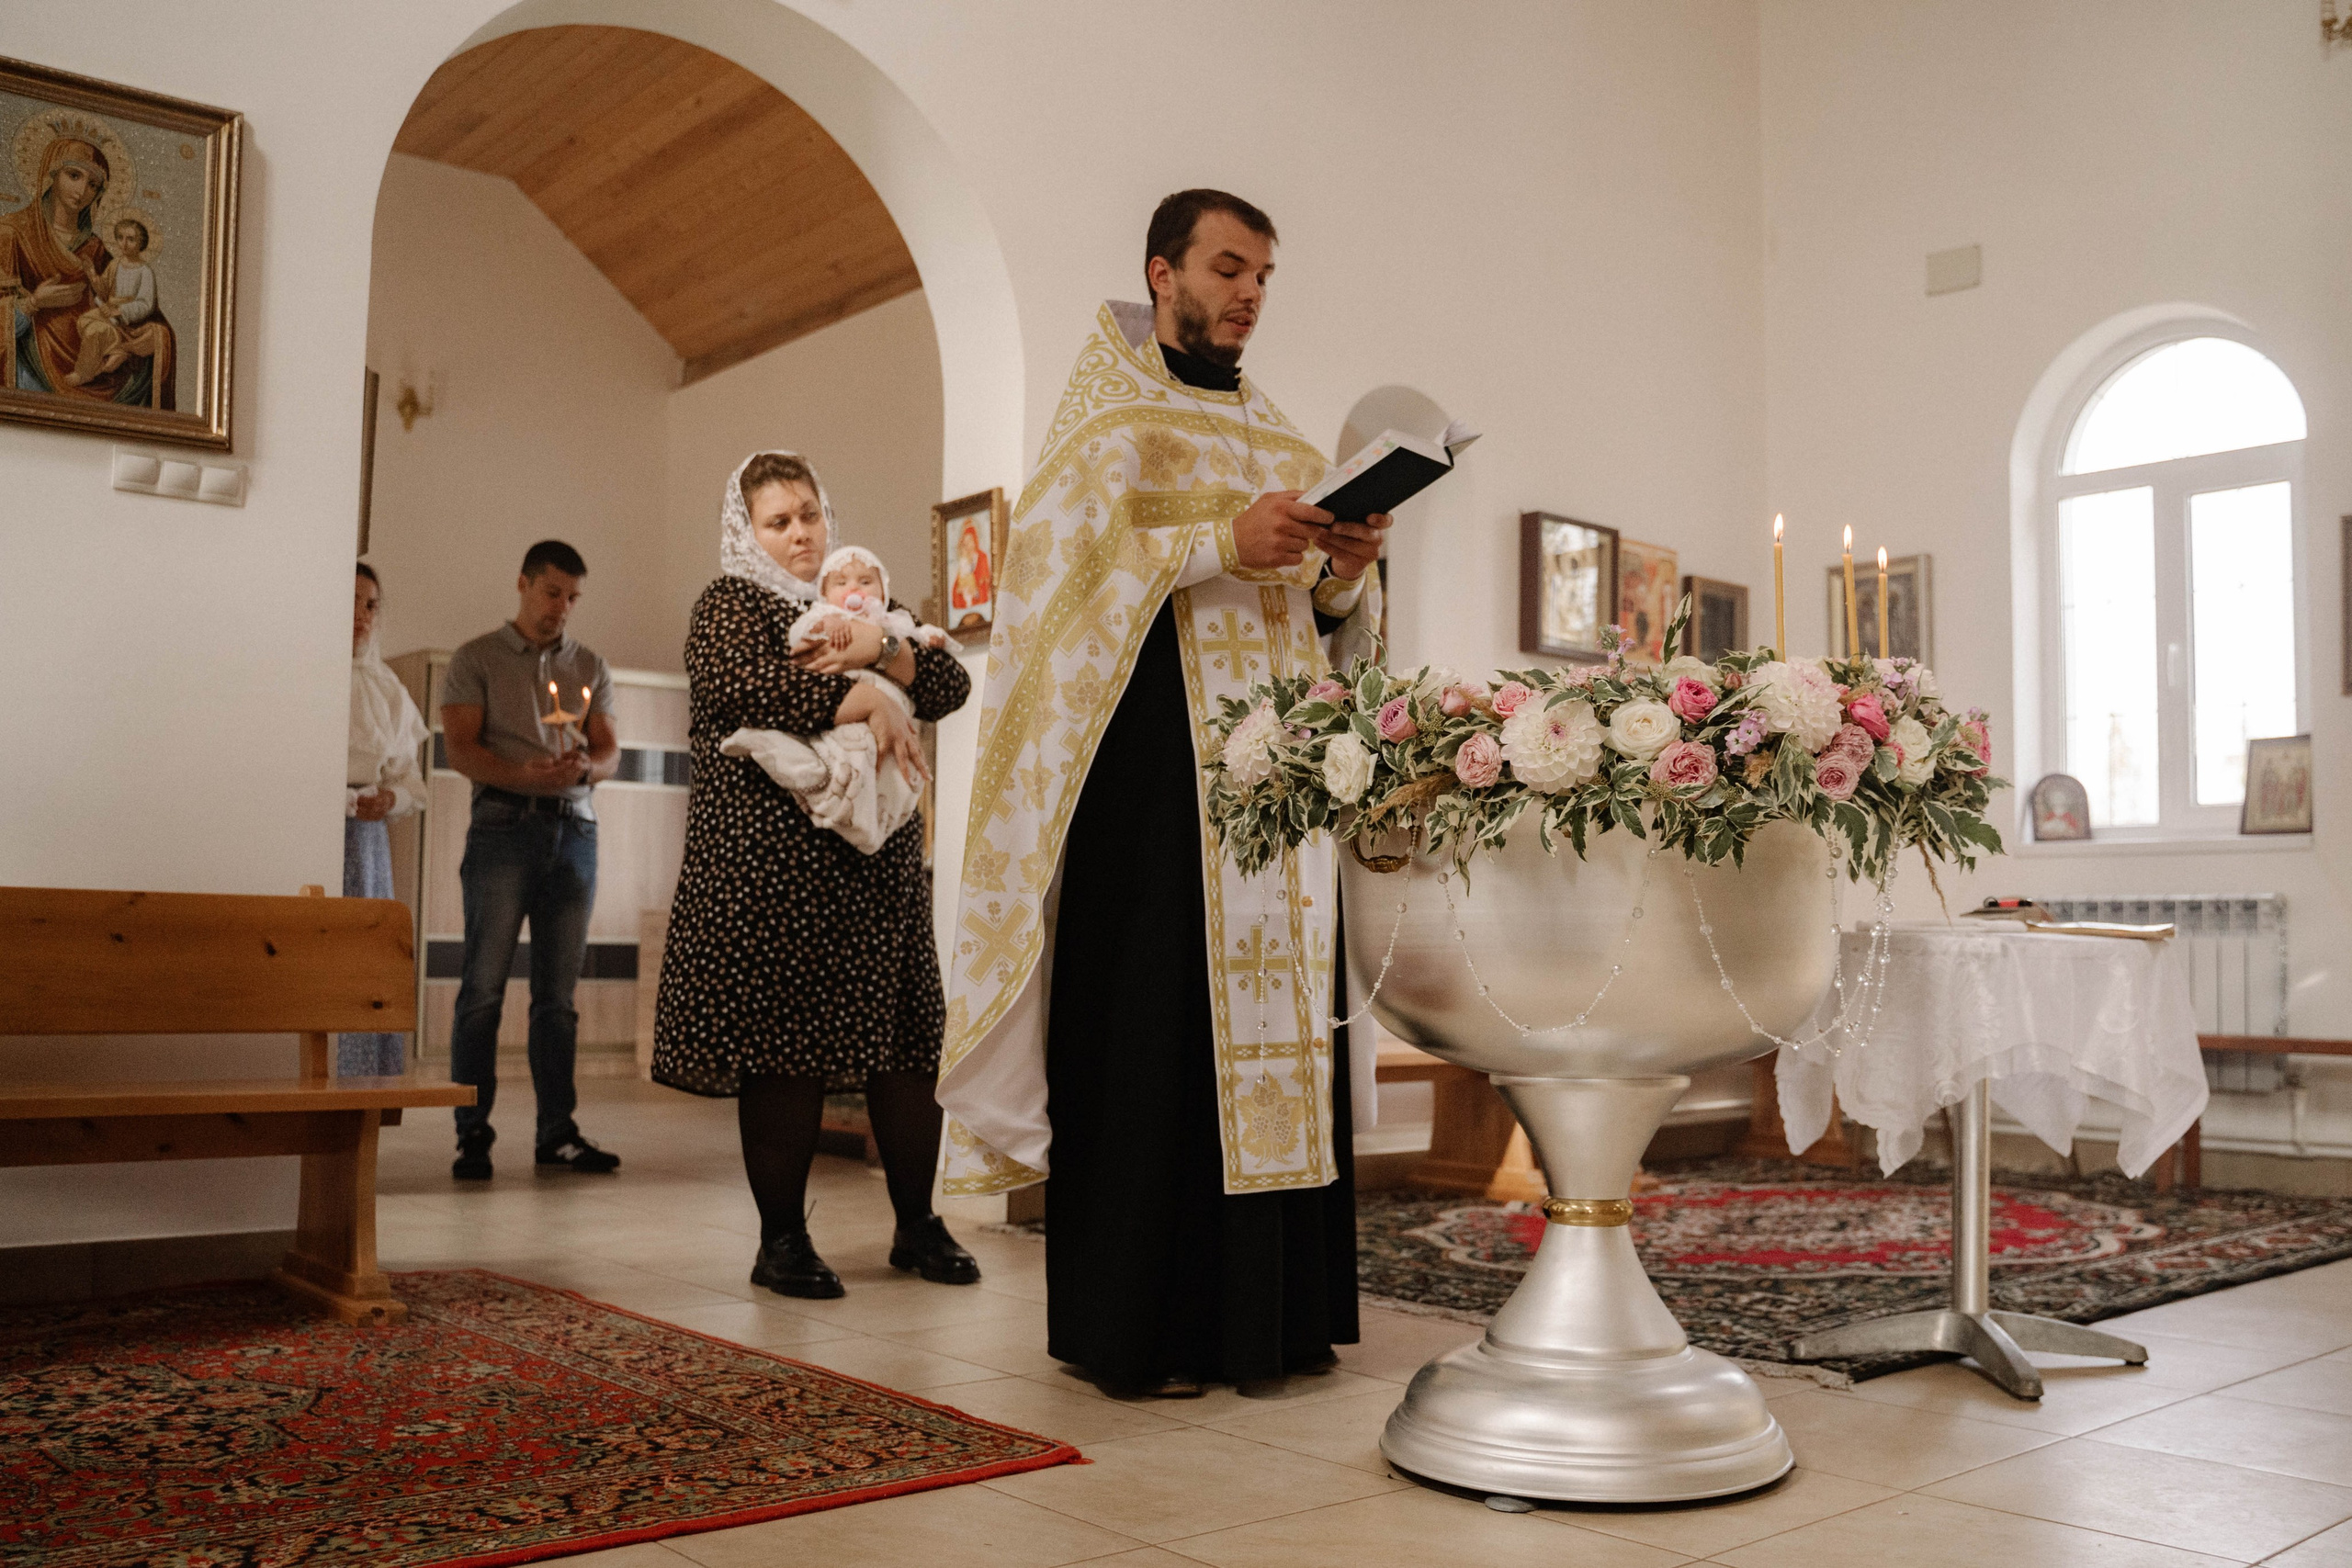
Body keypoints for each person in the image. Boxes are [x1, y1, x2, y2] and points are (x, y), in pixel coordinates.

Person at [936, 191, 1392, 1395]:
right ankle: (1142, 1327)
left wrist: (1344, 574)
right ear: (1163, 272)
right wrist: (1212, 542)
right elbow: (1053, 603)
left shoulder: (1291, 444)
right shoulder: (1106, 433)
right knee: (1152, 1049)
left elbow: (1323, 624)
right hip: (1149, 794)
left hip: (1275, 810)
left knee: (1271, 1047)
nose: (1248, 291)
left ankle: (1278, 1320)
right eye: (1229, 267)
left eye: (1264, 275)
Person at [654, 452, 978, 1299]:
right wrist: (864, 698)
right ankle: (782, 1240)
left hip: (876, 873)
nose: (800, 534)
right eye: (779, 520)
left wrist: (882, 651)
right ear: (748, 531)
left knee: (909, 1046)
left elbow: (948, 679)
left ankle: (917, 1223)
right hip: (772, 871)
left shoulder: (856, 599)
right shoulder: (730, 603)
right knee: (785, 1053)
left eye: (809, 514)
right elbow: (737, 686)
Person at [440, 540, 622, 1179]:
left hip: (574, 830)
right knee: (483, 989)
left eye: (572, 598)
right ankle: (472, 1134)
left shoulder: (590, 665)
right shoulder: (476, 659)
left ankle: (557, 1133)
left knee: (558, 996)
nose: (561, 609)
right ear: (522, 583)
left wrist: (583, 769)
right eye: (552, 593)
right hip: (502, 830)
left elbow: (607, 753)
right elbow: (461, 749)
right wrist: (525, 775)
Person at [722, 545, 952, 854]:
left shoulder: (889, 617)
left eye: (866, 582)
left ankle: (877, 824)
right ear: (825, 593)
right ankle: (799, 769)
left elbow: (935, 658)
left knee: (900, 775)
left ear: (883, 588)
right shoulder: (822, 614)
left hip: (896, 718)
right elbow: (799, 640)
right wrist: (827, 627)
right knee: (847, 756)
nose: (854, 588)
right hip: (853, 711)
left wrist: (927, 637)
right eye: (841, 583)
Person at [0, 132, 175, 407]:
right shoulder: (12, 234)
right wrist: (33, 303)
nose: (82, 191)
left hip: (100, 369)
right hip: (34, 374)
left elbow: (133, 311)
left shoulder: (96, 249)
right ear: (52, 174)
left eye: (93, 184)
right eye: (73, 175)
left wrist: (153, 338)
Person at [342, 562, 427, 1077]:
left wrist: (388, 801)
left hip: (365, 843)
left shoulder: (388, 689)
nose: (360, 616)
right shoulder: (300, 674)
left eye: (371, 605)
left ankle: (361, 1079)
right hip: (309, 832)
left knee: (365, 957)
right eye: (349, 601)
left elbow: (411, 784)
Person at [67, 218, 156, 386]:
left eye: (131, 239)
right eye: (120, 237)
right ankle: (115, 351)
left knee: (95, 331)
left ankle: (84, 373)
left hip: (128, 321)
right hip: (108, 310)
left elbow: (146, 303)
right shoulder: (115, 264)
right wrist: (92, 274)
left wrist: (120, 311)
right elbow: (104, 290)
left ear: (141, 243)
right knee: (83, 320)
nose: (124, 243)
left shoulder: (145, 271)